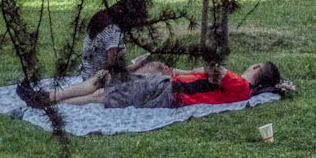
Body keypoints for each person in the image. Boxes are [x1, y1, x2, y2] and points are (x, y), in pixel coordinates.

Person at [19, 58, 290, 111]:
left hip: (165, 89)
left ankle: (46, 97)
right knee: (100, 93)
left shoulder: (239, 83)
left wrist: (174, 71)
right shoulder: (243, 91)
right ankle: (47, 99)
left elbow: (211, 69)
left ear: (256, 69)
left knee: (103, 82)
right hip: (168, 92)